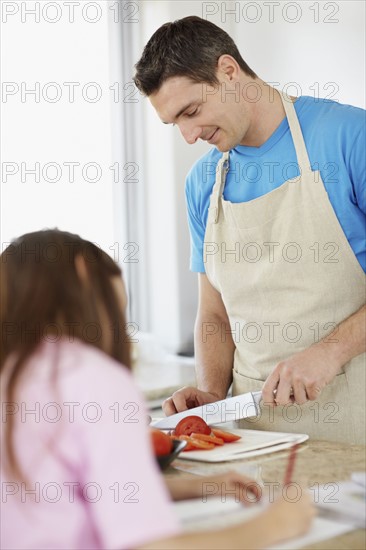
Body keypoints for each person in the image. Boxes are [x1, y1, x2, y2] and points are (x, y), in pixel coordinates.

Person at [0, 229, 314, 549]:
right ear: (83, 275)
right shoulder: (92, 380)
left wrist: (195, 487)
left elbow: (65, 492)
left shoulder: (14, 373)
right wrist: (273, 526)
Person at [133, 16, 366, 444]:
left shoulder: (351, 138)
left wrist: (331, 352)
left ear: (228, 71)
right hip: (256, 442)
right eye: (175, 124)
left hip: (355, 431)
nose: (188, 135)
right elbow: (215, 314)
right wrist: (209, 390)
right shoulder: (203, 183)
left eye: (192, 111)